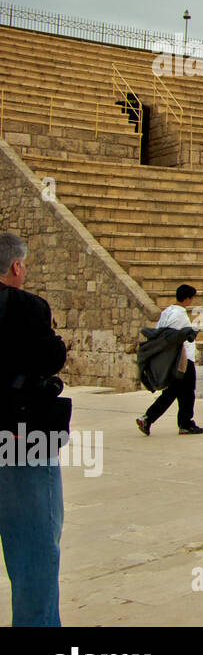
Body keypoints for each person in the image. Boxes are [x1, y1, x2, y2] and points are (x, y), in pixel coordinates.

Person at [0, 232, 69, 626]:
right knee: (34, 553)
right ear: (16, 266)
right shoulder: (28, 308)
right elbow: (50, 358)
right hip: (21, 439)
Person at [138, 284, 203, 435]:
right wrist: (190, 333)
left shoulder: (167, 311)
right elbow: (170, 336)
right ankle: (183, 424)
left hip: (177, 359)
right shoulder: (179, 314)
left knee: (176, 392)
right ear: (187, 298)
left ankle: (151, 418)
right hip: (182, 360)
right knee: (185, 393)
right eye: (192, 298)